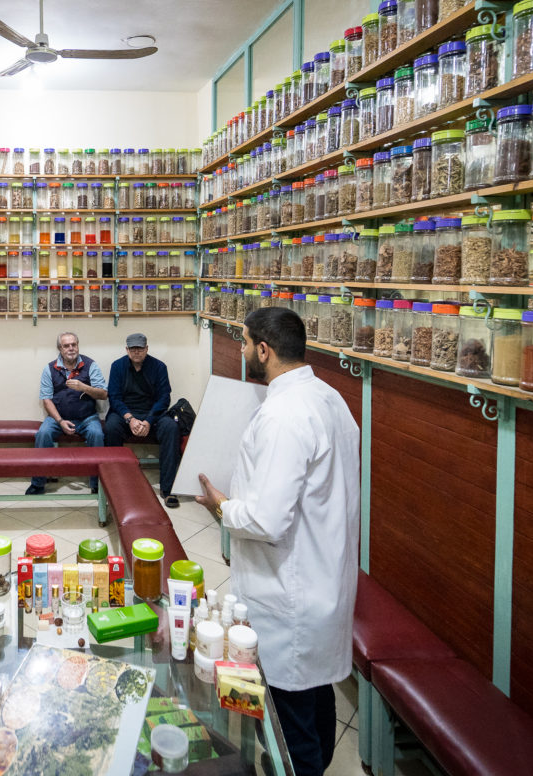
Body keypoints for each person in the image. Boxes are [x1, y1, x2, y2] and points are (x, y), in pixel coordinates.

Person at [194, 306, 360, 776]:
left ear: (264, 350)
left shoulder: (284, 415)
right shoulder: (330, 399)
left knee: (292, 724)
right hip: (322, 584)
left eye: (244, 343)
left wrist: (222, 506)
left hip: (290, 597)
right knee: (315, 696)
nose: (242, 351)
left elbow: (267, 520)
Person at [103, 333, 183, 506]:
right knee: (110, 427)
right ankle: (117, 485)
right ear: (127, 350)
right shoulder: (117, 366)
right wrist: (130, 419)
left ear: (147, 349)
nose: (136, 352)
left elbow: (164, 398)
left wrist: (148, 421)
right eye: (133, 348)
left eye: (140, 348)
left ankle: (168, 490)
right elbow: (114, 398)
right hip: (125, 414)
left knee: (171, 428)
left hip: (152, 414)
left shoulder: (159, 367)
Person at [27, 331, 107, 495]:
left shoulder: (90, 365)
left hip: (87, 417)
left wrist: (83, 387)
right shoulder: (50, 368)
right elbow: (46, 399)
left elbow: (103, 394)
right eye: (66, 345)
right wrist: (60, 421)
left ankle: (97, 484)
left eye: (74, 344)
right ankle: (38, 483)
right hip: (58, 417)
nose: (71, 348)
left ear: (78, 345)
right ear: (59, 348)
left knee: (97, 434)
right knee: (43, 434)